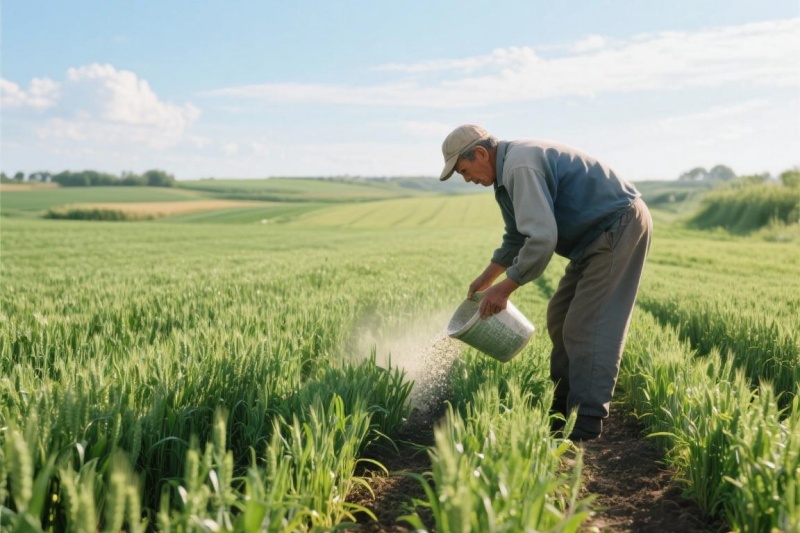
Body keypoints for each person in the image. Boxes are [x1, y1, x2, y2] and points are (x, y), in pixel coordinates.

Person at [439, 124, 652, 441]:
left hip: (617, 226)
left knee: (587, 324)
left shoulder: (519, 167)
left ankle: (586, 422)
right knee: (559, 316)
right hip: (591, 240)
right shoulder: (506, 177)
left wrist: (505, 288)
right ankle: (562, 410)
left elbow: (541, 239)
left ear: (481, 153)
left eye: (464, 171)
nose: (467, 179)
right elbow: (517, 237)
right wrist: (487, 278)